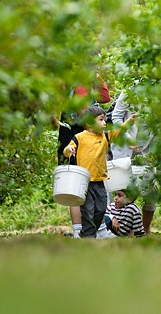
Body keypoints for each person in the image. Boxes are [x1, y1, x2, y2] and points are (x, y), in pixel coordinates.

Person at [63, 105, 137, 238]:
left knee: (101, 209)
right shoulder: (79, 137)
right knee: (87, 210)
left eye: (104, 120)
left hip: (100, 181)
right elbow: (67, 149)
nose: (104, 123)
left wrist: (129, 121)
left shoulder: (105, 137)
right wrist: (69, 150)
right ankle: (89, 236)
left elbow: (118, 131)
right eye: (101, 120)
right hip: (85, 183)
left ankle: (86, 232)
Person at [55, 73, 111, 238]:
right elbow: (83, 112)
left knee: (91, 185)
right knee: (77, 185)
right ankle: (81, 230)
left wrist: (98, 78)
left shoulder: (89, 84)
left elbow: (105, 97)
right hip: (76, 138)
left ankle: (93, 230)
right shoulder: (76, 85)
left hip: (81, 138)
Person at [111, 90, 156, 234]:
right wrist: (128, 138)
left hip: (147, 149)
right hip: (124, 147)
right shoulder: (130, 91)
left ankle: (144, 229)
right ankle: (119, 229)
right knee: (121, 187)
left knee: (150, 190)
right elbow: (116, 117)